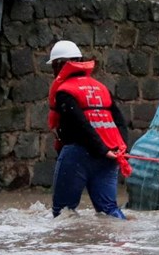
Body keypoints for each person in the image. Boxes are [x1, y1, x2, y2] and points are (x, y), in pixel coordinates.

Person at [46, 40, 131, 219]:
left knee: (63, 213)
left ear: (61, 65)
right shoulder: (101, 89)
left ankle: (69, 248)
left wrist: (102, 150)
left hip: (78, 155)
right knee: (109, 210)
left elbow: (80, 125)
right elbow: (120, 122)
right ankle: (122, 242)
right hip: (109, 156)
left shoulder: (64, 92)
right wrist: (118, 149)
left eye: (54, 66)